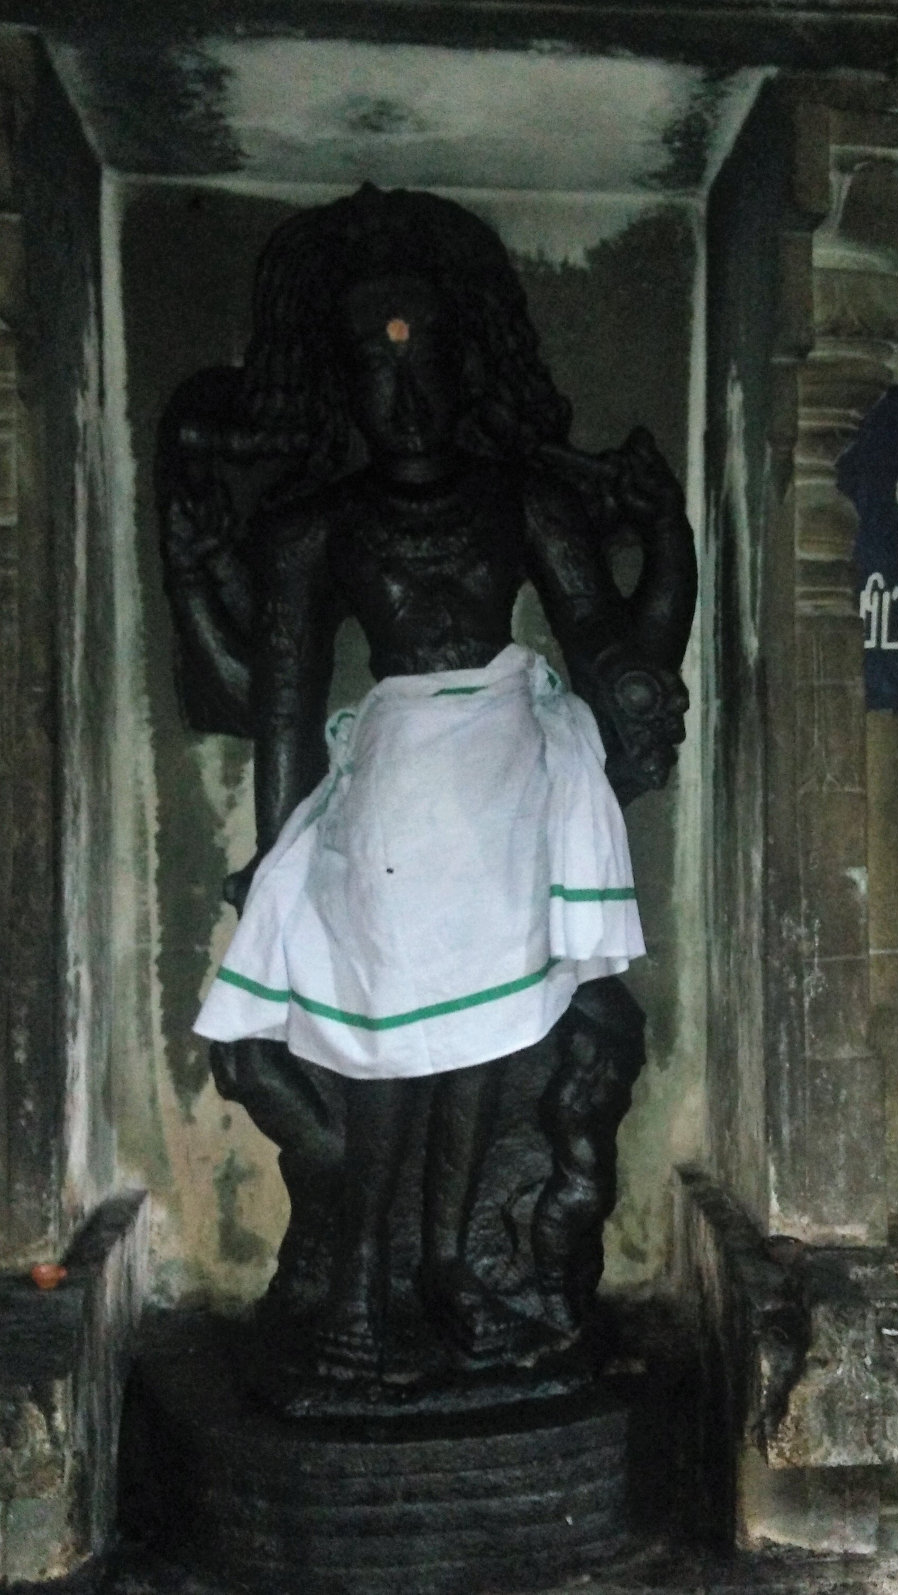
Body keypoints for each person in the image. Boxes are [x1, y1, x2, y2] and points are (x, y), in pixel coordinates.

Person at [158, 184, 695, 1379]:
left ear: (465, 362)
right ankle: (355, 1293)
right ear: (341, 383)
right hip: (397, 791)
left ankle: (447, 1265)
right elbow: (284, 707)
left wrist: (661, 571)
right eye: (370, 364)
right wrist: (283, 858)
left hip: (507, 792)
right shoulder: (317, 528)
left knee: (489, 1042)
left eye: (425, 357)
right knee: (384, 1052)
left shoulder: (522, 498)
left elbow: (605, 641)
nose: (401, 394)